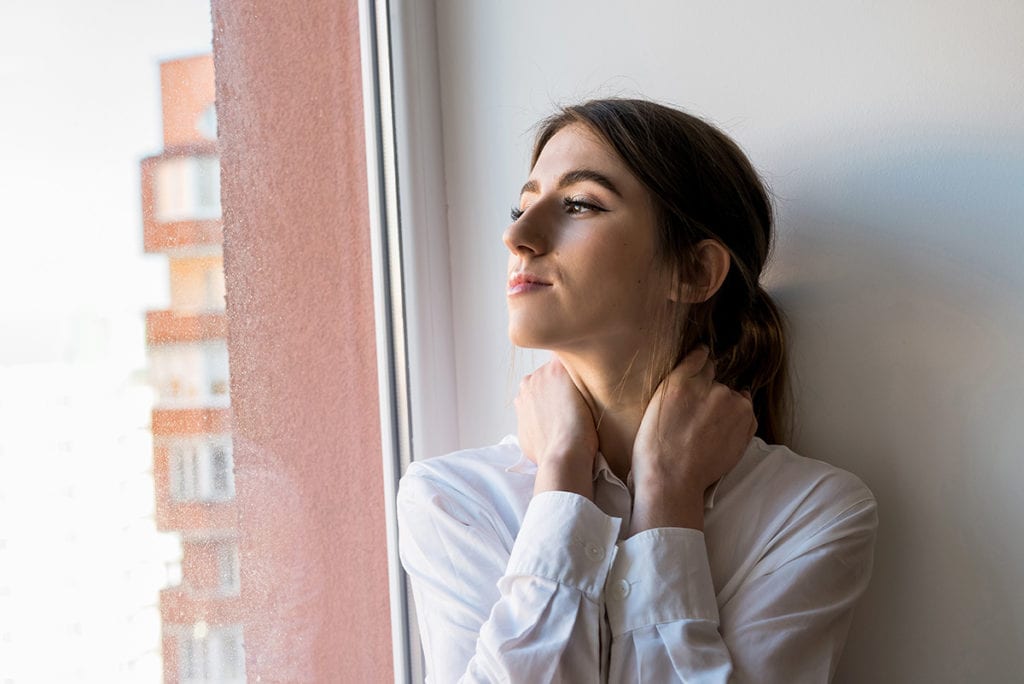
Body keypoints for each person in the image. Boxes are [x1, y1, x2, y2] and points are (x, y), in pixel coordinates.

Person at [397, 98, 877, 683]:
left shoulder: (811, 516)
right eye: (522, 205)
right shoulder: (451, 501)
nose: (516, 234)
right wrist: (562, 474)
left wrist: (668, 497)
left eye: (579, 203)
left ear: (695, 272)